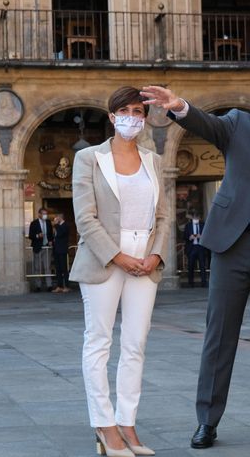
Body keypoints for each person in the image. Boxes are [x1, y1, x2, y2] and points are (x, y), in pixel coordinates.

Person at [142, 63, 250, 449]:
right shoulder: (238, 124)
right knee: (219, 336)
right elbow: (205, 123)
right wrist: (177, 105)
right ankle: (207, 420)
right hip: (232, 245)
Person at [70, 86, 169, 457]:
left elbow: (162, 215)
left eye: (139, 111)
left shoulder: (152, 158)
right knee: (99, 342)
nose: (133, 117)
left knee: (136, 343)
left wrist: (156, 255)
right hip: (104, 259)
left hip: (146, 259)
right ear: (112, 117)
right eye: (125, 110)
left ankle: (128, 422)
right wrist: (117, 256)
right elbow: (85, 217)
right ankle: (104, 424)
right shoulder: (90, 159)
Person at [28, 207, 54, 292]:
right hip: (37, 247)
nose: (45, 215)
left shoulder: (48, 222)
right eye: (43, 214)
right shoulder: (34, 223)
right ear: (39, 214)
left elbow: (51, 234)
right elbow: (30, 235)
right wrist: (37, 236)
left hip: (47, 248)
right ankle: (38, 286)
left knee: (47, 267)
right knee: (37, 267)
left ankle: (49, 285)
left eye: (46, 214)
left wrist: (50, 241)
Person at [184, 210, 208, 288]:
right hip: (192, 248)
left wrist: (202, 237)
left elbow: (207, 235)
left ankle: (203, 282)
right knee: (191, 266)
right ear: (192, 218)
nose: (196, 219)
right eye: (194, 217)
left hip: (200, 248)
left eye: (197, 217)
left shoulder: (203, 225)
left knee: (202, 265)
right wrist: (189, 237)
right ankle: (191, 283)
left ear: (199, 218)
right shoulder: (188, 226)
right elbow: (184, 236)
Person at [52, 213, 71, 293]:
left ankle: (66, 286)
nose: (56, 219)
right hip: (56, 249)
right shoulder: (58, 226)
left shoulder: (65, 225)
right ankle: (59, 286)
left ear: (60, 218)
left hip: (62, 250)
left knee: (64, 268)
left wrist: (56, 225)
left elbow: (60, 234)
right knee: (58, 268)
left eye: (57, 217)